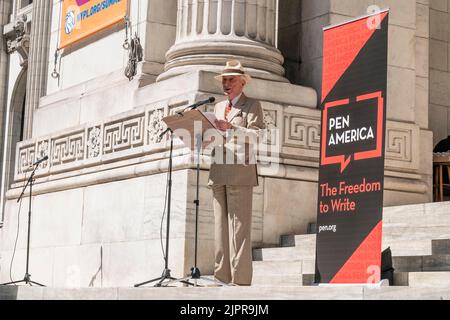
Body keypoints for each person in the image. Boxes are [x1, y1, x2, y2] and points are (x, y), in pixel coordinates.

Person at [208, 60, 265, 286]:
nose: (226, 83)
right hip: (218, 170)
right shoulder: (219, 107)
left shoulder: (252, 105)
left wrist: (231, 128)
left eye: (231, 79)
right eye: (224, 79)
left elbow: (258, 136)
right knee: (219, 228)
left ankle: (240, 280)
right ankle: (221, 276)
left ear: (242, 82)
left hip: (240, 172)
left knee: (239, 229)